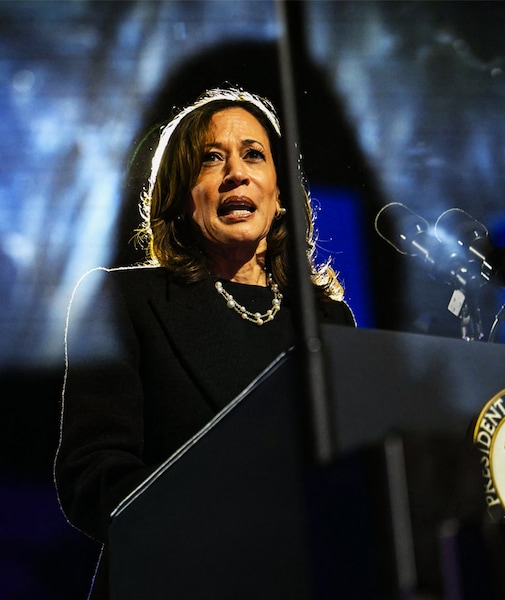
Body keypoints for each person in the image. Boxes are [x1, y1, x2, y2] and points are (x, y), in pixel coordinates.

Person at [54, 86, 355, 599]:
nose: (236, 172)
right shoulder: (125, 301)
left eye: (253, 155)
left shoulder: (328, 321)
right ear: (180, 195)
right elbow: (93, 475)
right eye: (211, 159)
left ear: (280, 194)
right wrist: (213, 530)